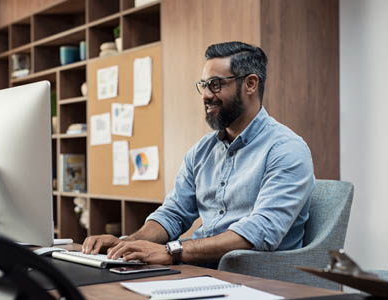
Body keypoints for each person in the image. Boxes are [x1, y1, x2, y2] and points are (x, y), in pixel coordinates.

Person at [82, 41, 315, 267]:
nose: (205, 95)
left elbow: (261, 231)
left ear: (251, 84)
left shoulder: (286, 149)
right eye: (203, 85)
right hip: (200, 271)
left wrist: (172, 251)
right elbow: (173, 213)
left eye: (215, 84)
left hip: (256, 279)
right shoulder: (202, 151)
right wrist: (129, 243)